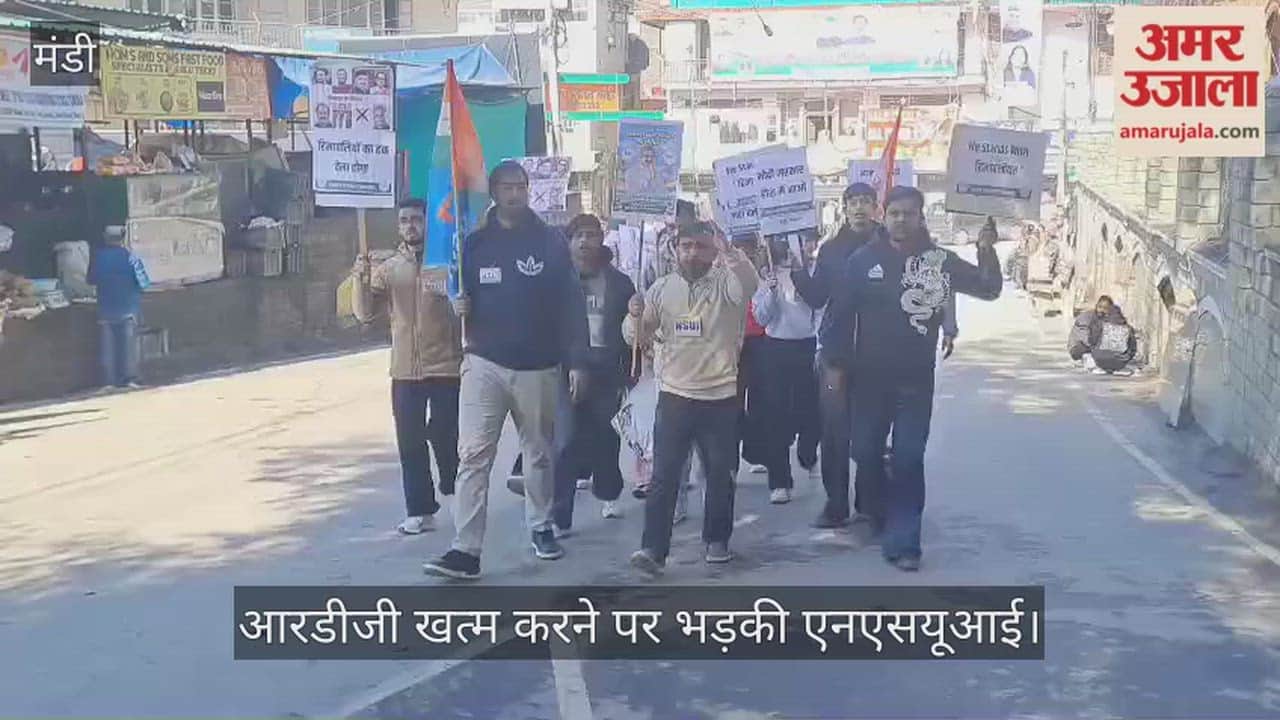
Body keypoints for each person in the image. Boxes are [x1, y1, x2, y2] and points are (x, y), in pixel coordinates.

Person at [821, 187, 1002, 572]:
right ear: (883, 216)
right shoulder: (862, 260)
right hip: (868, 380)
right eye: (895, 213)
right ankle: (874, 509)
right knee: (864, 453)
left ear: (921, 218)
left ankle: (905, 543)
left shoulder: (939, 262)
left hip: (915, 382)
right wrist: (835, 365)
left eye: (909, 214)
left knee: (908, 458)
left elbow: (988, 288)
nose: (901, 220)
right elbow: (838, 316)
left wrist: (986, 248)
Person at [424, 161, 589, 580]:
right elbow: (460, 291)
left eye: (521, 186)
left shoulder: (551, 242)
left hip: (538, 365)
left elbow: (571, 304)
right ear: (494, 191)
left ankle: (540, 525)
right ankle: (466, 548)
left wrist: (576, 359)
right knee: (474, 455)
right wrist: (458, 302)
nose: (516, 194)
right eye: (508, 187)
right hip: (483, 362)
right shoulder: (474, 243)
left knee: (538, 452)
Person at [624, 221, 759, 576]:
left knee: (719, 474)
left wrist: (731, 252)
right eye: (686, 246)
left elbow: (749, 284)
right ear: (675, 250)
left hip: (720, 397)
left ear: (713, 252)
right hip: (674, 397)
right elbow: (634, 338)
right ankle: (653, 549)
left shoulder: (726, 284)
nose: (692, 253)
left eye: (701, 247)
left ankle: (717, 540)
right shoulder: (660, 288)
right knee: (664, 477)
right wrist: (633, 316)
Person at [351, 198, 462, 536]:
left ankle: (451, 484)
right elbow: (364, 314)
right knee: (410, 442)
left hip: (446, 366)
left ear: (428, 222)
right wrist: (359, 278)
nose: (411, 225)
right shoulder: (388, 268)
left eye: (416, 219)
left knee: (445, 434)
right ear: (398, 226)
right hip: (404, 370)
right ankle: (419, 510)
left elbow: (464, 308)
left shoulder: (446, 262)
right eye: (404, 220)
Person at [792, 182, 885, 529]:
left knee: (872, 430)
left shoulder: (891, 244)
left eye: (866, 201)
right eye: (854, 202)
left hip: (879, 355)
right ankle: (836, 504)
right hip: (835, 354)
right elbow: (817, 297)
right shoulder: (830, 250)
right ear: (844, 208)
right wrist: (799, 271)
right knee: (834, 431)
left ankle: (870, 501)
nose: (860, 208)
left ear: (876, 207)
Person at [551, 214, 636, 531]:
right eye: (578, 236)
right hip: (565, 370)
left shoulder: (620, 282)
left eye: (591, 235)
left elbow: (632, 332)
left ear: (602, 241)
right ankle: (559, 514)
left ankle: (609, 492)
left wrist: (638, 315)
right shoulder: (557, 281)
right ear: (569, 242)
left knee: (605, 435)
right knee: (565, 441)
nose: (585, 242)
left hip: (607, 370)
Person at [752, 236, 821, 504]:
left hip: (808, 347)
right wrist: (770, 292)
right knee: (775, 415)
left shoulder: (815, 272)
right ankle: (779, 481)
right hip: (775, 348)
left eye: (804, 241)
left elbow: (820, 307)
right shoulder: (768, 275)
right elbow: (761, 317)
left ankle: (808, 451)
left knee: (810, 410)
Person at [87, 225, 148, 390]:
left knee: (108, 347)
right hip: (128, 307)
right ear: (122, 239)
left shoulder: (99, 258)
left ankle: (109, 381)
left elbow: (91, 279)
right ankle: (130, 379)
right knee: (128, 346)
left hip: (106, 308)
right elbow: (143, 282)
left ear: (106, 239)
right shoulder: (131, 257)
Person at [1069, 295, 1137, 375]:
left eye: (1105, 308)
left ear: (1110, 310)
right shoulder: (1128, 328)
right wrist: (1125, 357)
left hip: (1100, 360)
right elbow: (1133, 348)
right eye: (1100, 307)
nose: (1101, 310)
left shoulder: (1100, 325)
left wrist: (1098, 351)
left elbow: (1092, 341)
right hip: (1121, 363)